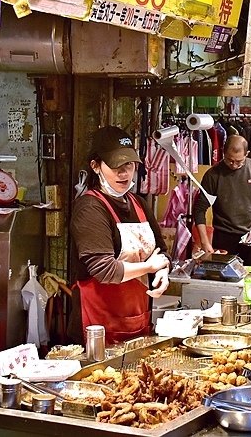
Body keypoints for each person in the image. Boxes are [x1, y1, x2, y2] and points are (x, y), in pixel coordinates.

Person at [69, 126, 170, 345]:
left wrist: (163, 271)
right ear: (96, 166)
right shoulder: (90, 208)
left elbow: (161, 250)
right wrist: (150, 267)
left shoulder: (138, 203)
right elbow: (104, 270)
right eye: (116, 166)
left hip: (136, 320)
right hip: (96, 328)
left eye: (129, 165)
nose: (124, 173)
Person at [193, 135, 251, 310]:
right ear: (223, 153)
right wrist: (206, 243)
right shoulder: (213, 174)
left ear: (247, 154)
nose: (234, 165)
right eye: (230, 160)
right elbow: (199, 210)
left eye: (239, 161)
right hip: (224, 238)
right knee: (225, 288)